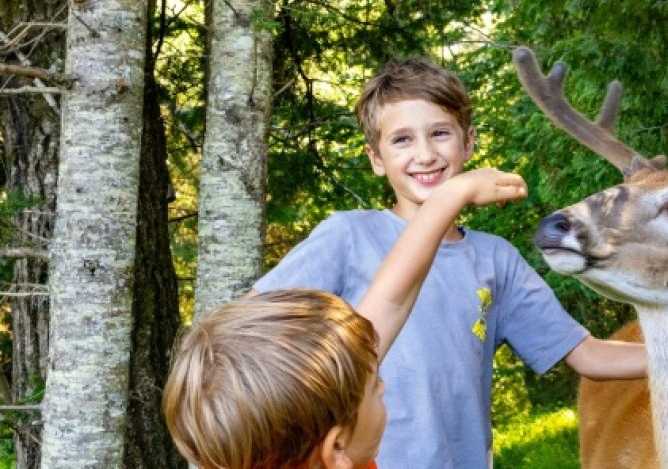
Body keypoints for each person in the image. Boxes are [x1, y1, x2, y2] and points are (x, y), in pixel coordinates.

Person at [252, 57, 668, 469]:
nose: (425, 154)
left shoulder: (494, 260)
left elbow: (585, 354)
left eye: (440, 133)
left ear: (468, 142)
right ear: (375, 157)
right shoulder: (347, 236)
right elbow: (255, 334)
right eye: (402, 140)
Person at [164, 167, 528, 469]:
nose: (383, 385)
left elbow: (391, 297)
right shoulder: (343, 449)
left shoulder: (325, 439)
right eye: (374, 388)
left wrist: (449, 196)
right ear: (336, 448)